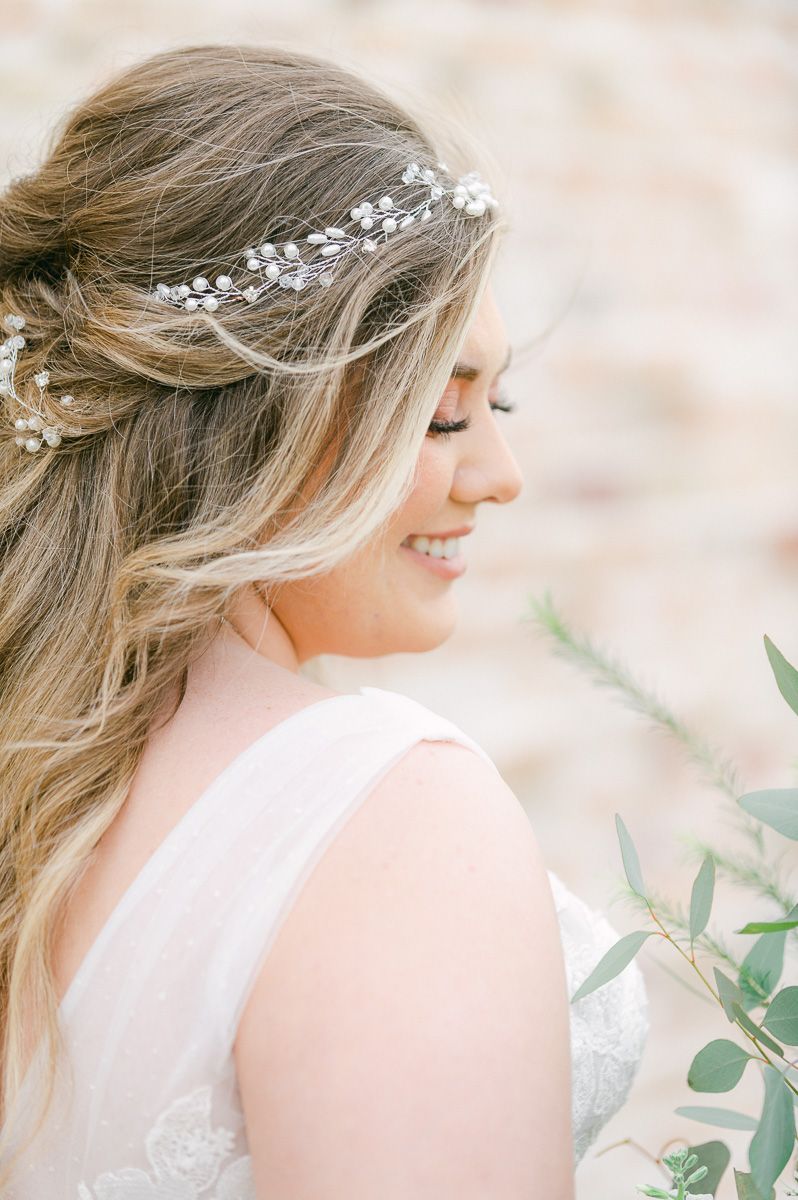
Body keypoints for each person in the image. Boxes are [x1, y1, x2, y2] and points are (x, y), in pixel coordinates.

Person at [0, 42, 647, 1197]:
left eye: (496, 404)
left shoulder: (37, 775)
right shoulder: (386, 819)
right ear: (267, 422)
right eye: (443, 416)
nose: (500, 476)